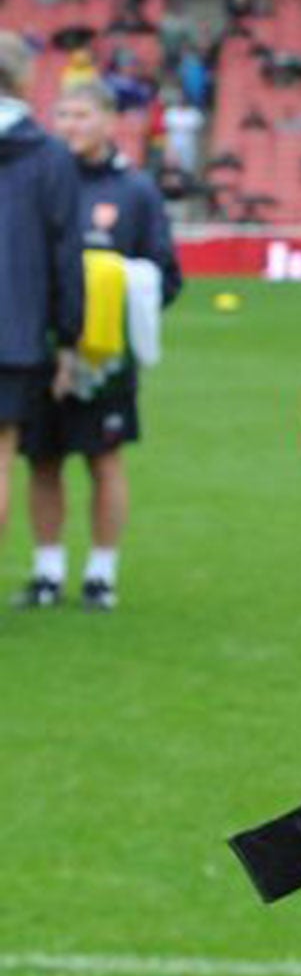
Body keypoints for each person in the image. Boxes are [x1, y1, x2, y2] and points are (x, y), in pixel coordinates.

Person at [19, 81, 183, 611]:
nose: (70, 125)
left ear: (111, 120)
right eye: (62, 114)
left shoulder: (134, 191)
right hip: (39, 349)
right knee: (42, 461)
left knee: (103, 461)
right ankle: (46, 571)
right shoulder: (35, 179)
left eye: (82, 114)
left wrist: (119, 290)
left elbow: (167, 274)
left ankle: (101, 573)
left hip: (107, 362)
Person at [0, 32, 85, 591]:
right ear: (26, 79)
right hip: (15, 333)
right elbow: (64, 254)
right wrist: (71, 340)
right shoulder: (50, 154)